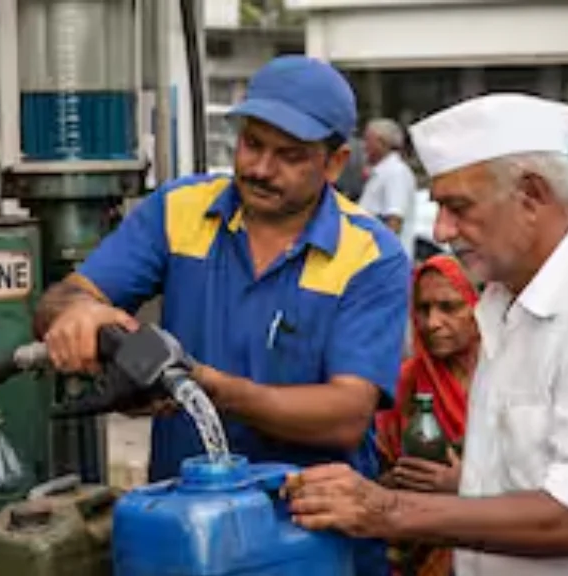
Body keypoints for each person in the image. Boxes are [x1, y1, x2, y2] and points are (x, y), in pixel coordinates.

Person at [34, 55, 411, 576]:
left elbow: (347, 414)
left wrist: (209, 387)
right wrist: (78, 314)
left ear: (333, 162)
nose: (259, 168)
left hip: (310, 540)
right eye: (252, 144)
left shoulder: (371, 256)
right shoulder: (179, 211)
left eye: (288, 155)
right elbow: (68, 295)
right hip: (187, 536)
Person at [283, 93, 568, 575]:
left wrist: (389, 511)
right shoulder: (502, 301)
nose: (442, 229)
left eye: (458, 207)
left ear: (532, 196)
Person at [375, 254, 481, 576]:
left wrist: (464, 485)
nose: (432, 322)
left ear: (478, 306)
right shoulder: (403, 383)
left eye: (449, 307)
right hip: (415, 547)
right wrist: (400, 483)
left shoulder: (508, 378)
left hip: (494, 541)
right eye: (423, 309)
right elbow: (375, 478)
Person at [358, 118, 418, 259]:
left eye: (368, 140)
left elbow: (394, 220)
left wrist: (381, 258)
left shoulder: (396, 172)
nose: (364, 146)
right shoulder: (382, 172)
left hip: (385, 263)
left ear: (382, 143)